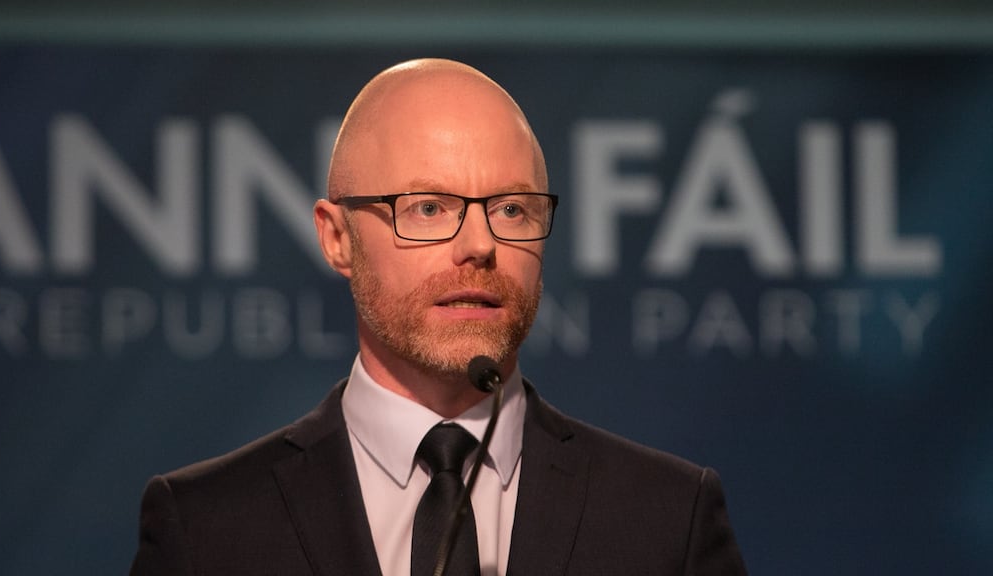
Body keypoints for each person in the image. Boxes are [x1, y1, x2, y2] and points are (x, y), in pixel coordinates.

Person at [129, 58, 748, 576]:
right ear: (338, 238)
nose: (479, 244)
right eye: (428, 208)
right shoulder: (206, 529)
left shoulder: (668, 520)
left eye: (511, 209)